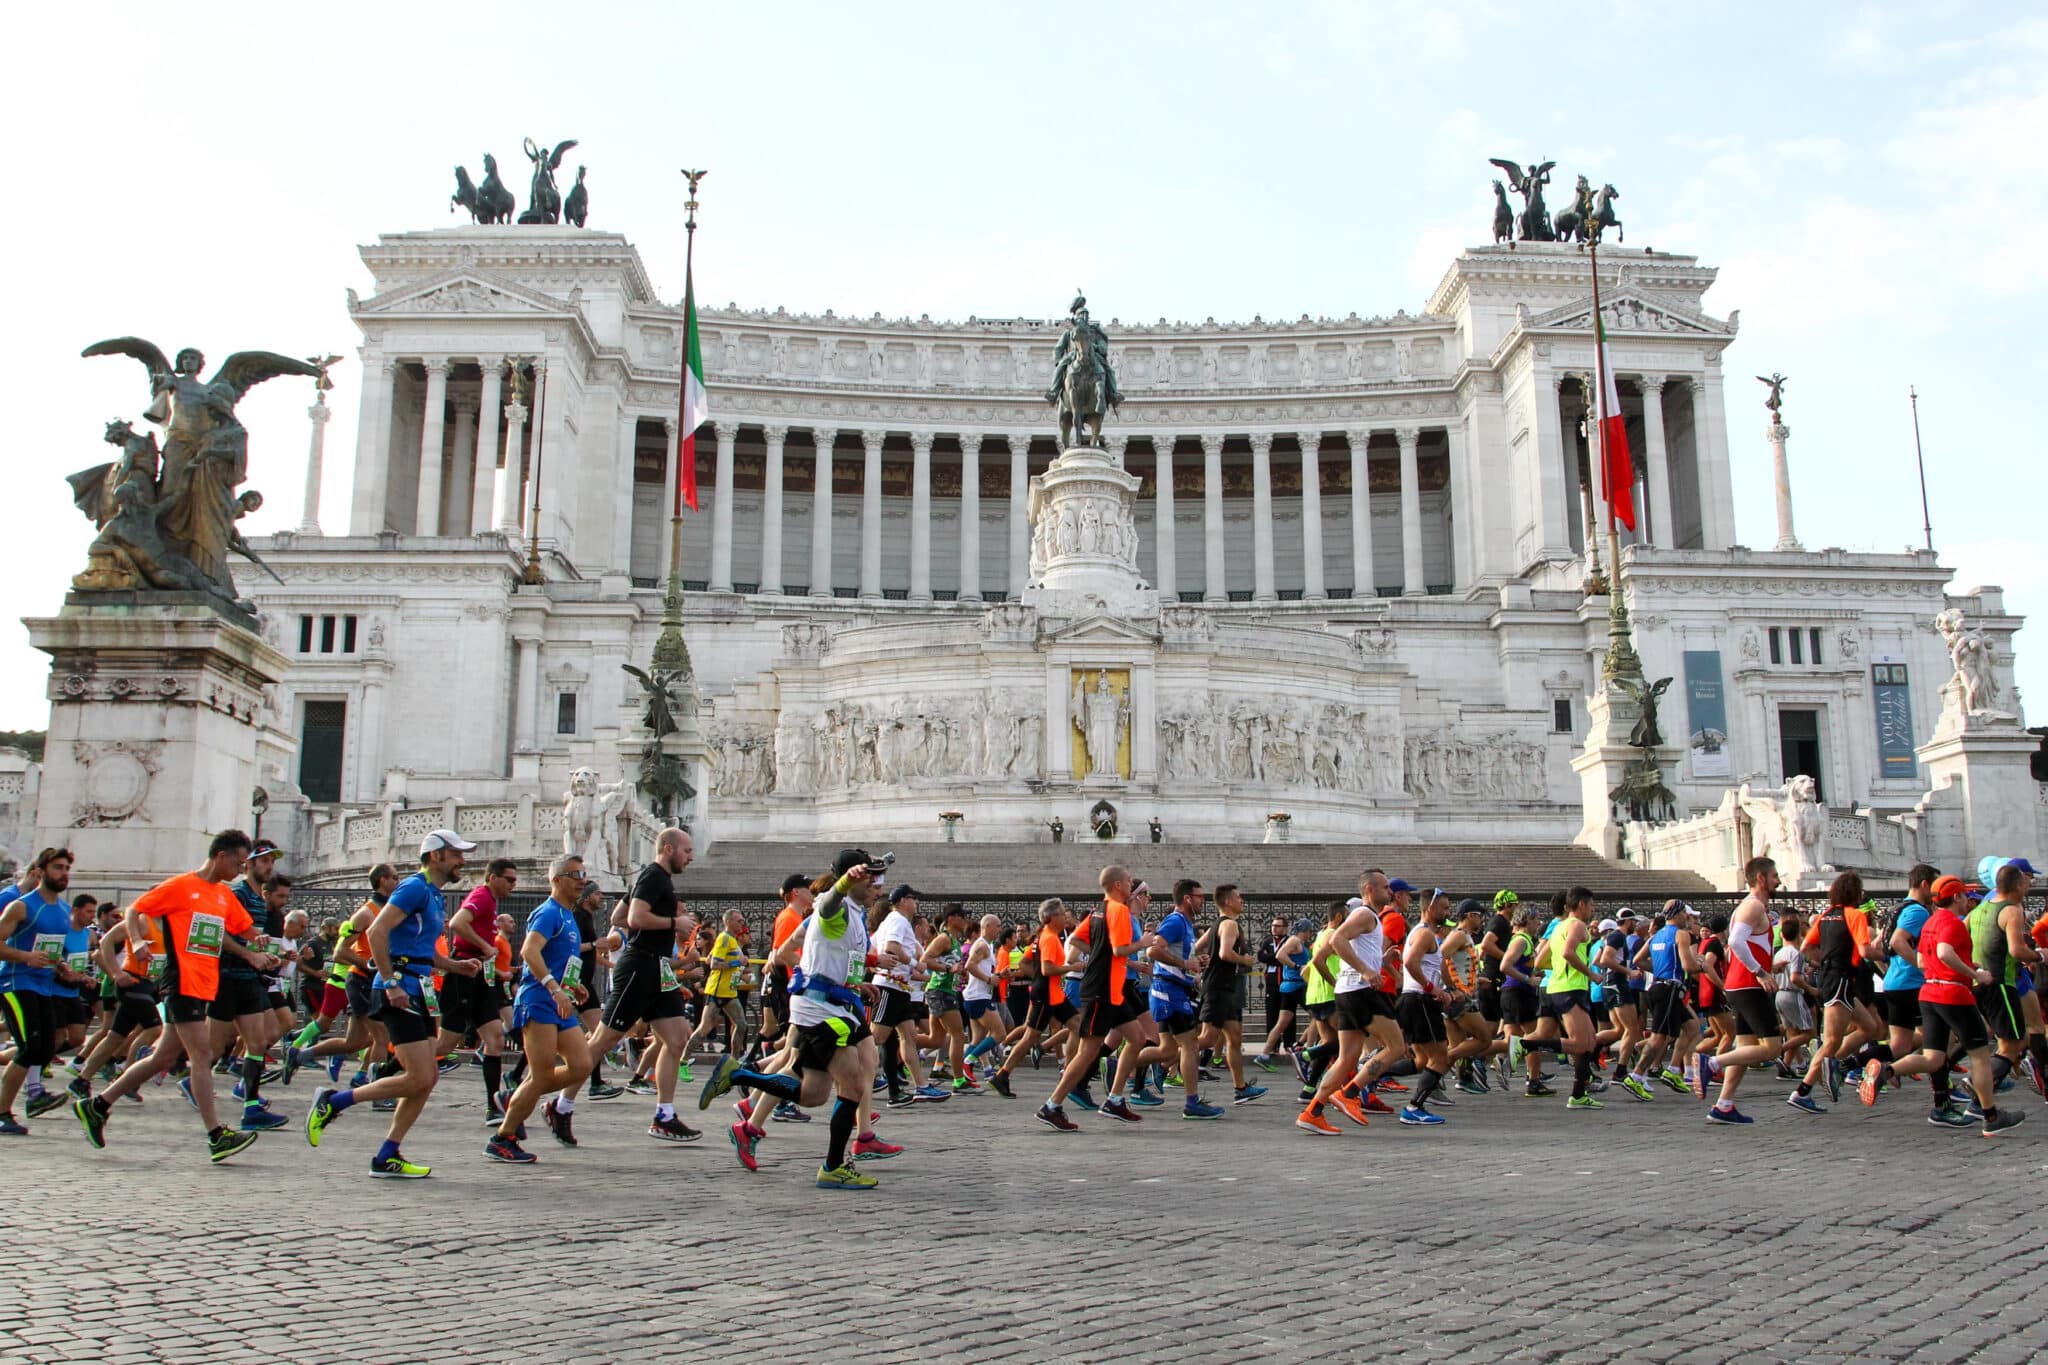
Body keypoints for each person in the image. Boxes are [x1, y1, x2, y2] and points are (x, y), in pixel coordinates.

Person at [699, 849, 899, 1188]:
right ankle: (833, 1166)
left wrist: (857, 982)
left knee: (814, 1094)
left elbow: (834, 956)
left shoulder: (854, 913)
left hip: (831, 1004)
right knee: (852, 1084)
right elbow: (826, 907)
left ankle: (740, 1077)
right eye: (873, 881)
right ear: (855, 879)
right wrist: (843, 884)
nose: (878, 889)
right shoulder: (834, 907)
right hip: (822, 1011)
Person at [72, 831, 271, 1163]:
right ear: (221, 856)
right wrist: (135, 941)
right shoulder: (181, 886)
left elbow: (240, 931)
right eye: (237, 863)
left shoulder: (223, 895)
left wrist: (260, 948)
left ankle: (97, 1105)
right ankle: (216, 1135)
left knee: (162, 1058)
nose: (240, 870)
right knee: (203, 1055)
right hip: (182, 981)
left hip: (205, 984)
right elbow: (136, 909)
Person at [304, 829, 485, 1177]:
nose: (463, 860)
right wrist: (390, 983)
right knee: (419, 1074)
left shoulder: (432, 895)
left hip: (416, 985)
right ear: (436, 856)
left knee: (427, 1077)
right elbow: (376, 933)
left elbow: (421, 949)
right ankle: (333, 1101)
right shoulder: (415, 887)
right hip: (399, 988)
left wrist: (454, 965)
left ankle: (387, 1154)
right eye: (457, 854)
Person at [576, 828, 704, 1143]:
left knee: (677, 1039)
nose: (690, 857)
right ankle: (560, 1104)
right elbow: (633, 917)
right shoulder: (655, 876)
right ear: (669, 848)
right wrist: (674, 923)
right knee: (603, 1040)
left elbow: (619, 915)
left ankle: (665, 1116)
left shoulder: (650, 879)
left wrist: (654, 922)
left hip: (657, 967)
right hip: (641, 966)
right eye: (687, 851)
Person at [1881, 876, 2025, 1135]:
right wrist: (1975, 974)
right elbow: (1944, 952)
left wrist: (1965, 967)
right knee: (1980, 1056)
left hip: (1928, 992)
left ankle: (1887, 1069)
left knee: (1933, 1057)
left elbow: (1924, 962)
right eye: (1964, 896)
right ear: (1956, 897)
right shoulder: (1951, 922)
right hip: (1953, 994)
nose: (1967, 900)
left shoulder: (1930, 922)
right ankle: (1991, 1116)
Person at [486, 855, 595, 1163]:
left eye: (583, 873)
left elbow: (557, 959)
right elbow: (529, 951)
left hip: (558, 1000)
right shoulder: (548, 912)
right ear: (556, 879)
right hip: (538, 1000)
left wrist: (572, 986)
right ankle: (503, 1136)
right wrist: (554, 987)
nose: (582, 879)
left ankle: (525, 1096)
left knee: (582, 1063)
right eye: (574, 874)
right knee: (542, 1075)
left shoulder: (568, 915)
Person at [1036, 866, 1160, 1131]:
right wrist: (1144, 943)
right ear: (1117, 885)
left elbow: (1078, 941)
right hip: (1103, 990)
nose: (1130, 884)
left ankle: (1115, 1099)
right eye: (1128, 881)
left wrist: (1098, 954)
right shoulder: (1119, 911)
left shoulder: (1097, 912)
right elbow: (1119, 949)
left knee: (1138, 1038)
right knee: (1087, 1051)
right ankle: (1052, 1105)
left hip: (1113, 990)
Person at [1297, 872, 1404, 1135]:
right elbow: (1337, 940)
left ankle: (1313, 1112)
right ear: (1370, 889)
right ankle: (1351, 1092)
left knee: (1346, 1058)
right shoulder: (1364, 915)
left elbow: (1340, 952)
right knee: (1396, 1046)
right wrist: (1367, 972)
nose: (1390, 892)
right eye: (1385, 887)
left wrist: (1381, 961)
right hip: (1361, 990)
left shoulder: (1370, 920)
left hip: (1348, 991)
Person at [1695, 858, 1786, 1125]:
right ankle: (1711, 1065)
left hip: (1741, 984)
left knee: (1745, 1048)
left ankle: (1724, 1105)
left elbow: (1739, 946)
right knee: (1771, 1047)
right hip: (1748, 985)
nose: (1778, 881)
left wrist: (1768, 966)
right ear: (1761, 878)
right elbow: (1734, 942)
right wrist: (1760, 971)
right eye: (1774, 876)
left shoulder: (1749, 907)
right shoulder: (1753, 906)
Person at [0, 849, 84, 1131]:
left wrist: (61, 966)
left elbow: (50, 949)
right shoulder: (22, 906)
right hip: (15, 982)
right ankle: (3, 1112)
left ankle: (32, 1099)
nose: (64, 874)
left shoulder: (63, 911)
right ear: (42, 870)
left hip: (44, 985)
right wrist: (25, 958)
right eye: (58, 867)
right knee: (30, 1047)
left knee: (47, 1046)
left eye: (67, 868)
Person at [1136, 879, 1223, 1120]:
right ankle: (1192, 1102)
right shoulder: (1175, 921)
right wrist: (1184, 964)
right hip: (1169, 991)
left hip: (1173, 989)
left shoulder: (1184, 924)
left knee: (1167, 1049)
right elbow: (1153, 950)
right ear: (1187, 898)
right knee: (1191, 1045)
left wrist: (1194, 964)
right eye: (1199, 897)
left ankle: (1120, 1067)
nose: (1202, 901)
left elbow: (1177, 956)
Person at [438, 857, 516, 1120]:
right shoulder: (482, 895)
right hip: (463, 969)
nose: (513, 885)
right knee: (444, 1044)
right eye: (509, 879)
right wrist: (484, 947)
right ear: (493, 877)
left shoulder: (491, 901)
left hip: (479, 972)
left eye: (515, 880)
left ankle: (492, 1107)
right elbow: (457, 923)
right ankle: (385, 1071)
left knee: (495, 1038)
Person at [990, 899, 1074, 1098]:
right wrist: (1072, 968)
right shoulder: (1050, 938)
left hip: (1052, 993)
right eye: (1062, 914)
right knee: (1029, 1037)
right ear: (1051, 918)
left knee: (1079, 1025)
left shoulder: (1041, 937)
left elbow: (1026, 962)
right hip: (1046, 995)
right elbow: (1047, 968)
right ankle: (1002, 1074)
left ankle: (1073, 1070)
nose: (1065, 917)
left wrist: (1035, 977)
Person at [1538, 886, 1607, 1112]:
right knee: (1582, 1043)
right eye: (1592, 905)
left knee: (1587, 1043)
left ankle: (1579, 1093)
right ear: (1582, 905)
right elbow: (1568, 953)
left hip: (1560, 987)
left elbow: (1539, 962)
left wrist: (1556, 969)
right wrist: (1591, 973)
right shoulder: (1576, 925)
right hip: (1570, 988)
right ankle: (1525, 1044)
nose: (1593, 909)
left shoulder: (1558, 927)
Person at [1197, 884, 1265, 1105]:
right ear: (1228, 901)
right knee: (1207, 1038)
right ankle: (1161, 1063)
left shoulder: (1216, 924)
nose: (1241, 900)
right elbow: (1225, 953)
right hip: (1218, 987)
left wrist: (1204, 959)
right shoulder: (1229, 924)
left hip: (1224, 987)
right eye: (1238, 897)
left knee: (1234, 1036)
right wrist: (1244, 959)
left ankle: (1240, 1088)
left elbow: (1198, 946)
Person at [1393, 888, 1455, 1125]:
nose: (1447, 912)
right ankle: (1414, 1107)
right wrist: (1433, 989)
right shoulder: (1425, 934)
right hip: (1420, 1001)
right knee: (1440, 1057)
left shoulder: (1421, 933)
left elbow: (1434, 967)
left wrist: (1447, 990)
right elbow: (1409, 962)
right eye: (1444, 907)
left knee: (1421, 1061)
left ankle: (1371, 1078)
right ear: (1430, 907)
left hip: (1415, 999)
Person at [683, 910, 751, 1066]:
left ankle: (734, 1061)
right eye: (739, 921)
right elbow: (714, 964)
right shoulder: (725, 939)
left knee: (741, 1024)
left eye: (742, 921)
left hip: (729, 991)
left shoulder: (730, 940)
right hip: (717, 991)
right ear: (729, 922)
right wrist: (736, 963)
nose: (742, 924)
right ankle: (683, 1060)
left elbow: (708, 959)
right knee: (704, 1029)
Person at [1254, 919, 1312, 1072]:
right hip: (1296, 986)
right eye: (1309, 931)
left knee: (1281, 1023)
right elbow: (1280, 955)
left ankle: (1264, 1055)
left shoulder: (1296, 942)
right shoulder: (1295, 941)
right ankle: (1305, 1052)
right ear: (1305, 930)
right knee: (1319, 1017)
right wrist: (1297, 966)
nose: (1310, 934)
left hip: (1288, 987)